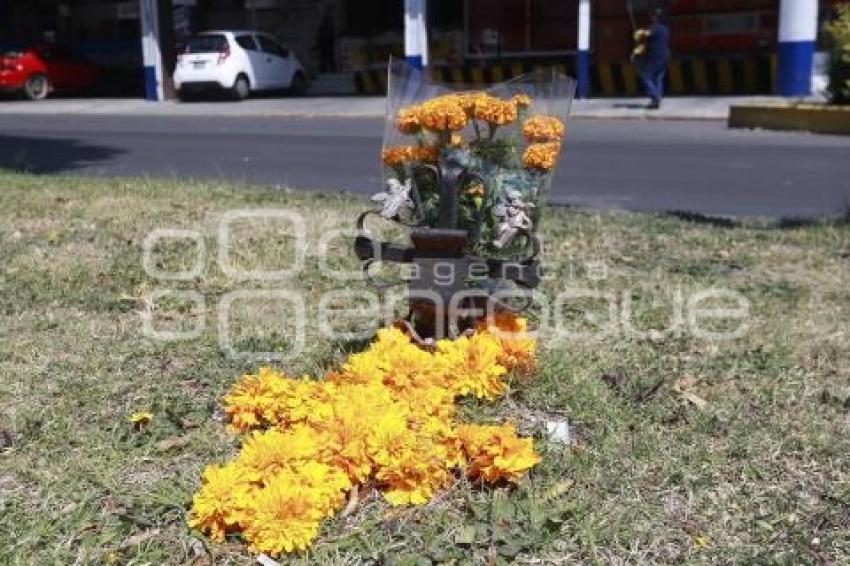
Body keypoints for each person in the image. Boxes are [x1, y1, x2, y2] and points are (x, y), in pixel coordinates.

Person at [634, 8, 670, 109]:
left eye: (652, 15)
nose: (651, 17)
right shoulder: (665, 28)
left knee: (646, 76)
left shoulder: (656, 27)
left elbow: (648, 34)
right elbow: (654, 40)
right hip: (665, 55)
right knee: (658, 77)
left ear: (655, 17)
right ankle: (658, 97)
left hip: (655, 56)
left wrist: (640, 32)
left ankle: (654, 97)